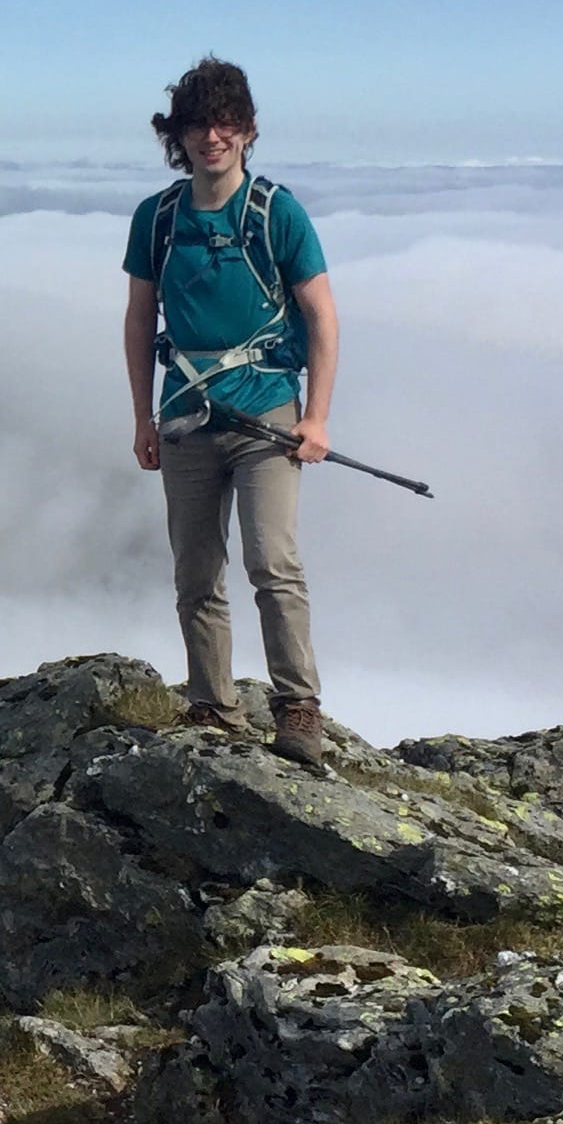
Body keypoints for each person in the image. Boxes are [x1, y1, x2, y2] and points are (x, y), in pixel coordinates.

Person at [121, 57, 340, 770]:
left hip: (265, 418)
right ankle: (212, 705)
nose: (210, 137)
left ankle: (296, 707)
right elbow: (138, 317)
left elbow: (323, 316)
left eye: (224, 124)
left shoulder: (278, 213)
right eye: (196, 125)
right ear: (177, 136)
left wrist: (317, 417)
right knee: (195, 571)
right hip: (184, 418)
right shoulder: (156, 219)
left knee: (271, 560)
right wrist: (141, 419)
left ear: (246, 132)